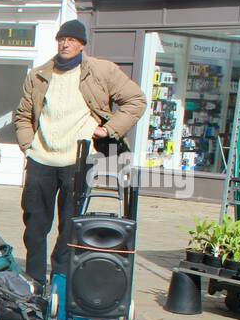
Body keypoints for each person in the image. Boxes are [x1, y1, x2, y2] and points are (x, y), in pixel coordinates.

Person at [12, 18, 145, 288]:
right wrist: (28, 146)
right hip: (41, 158)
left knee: (70, 225)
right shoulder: (39, 75)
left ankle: (60, 278)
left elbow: (136, 100)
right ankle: (35, 281)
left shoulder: (102, 71)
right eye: (62, 38)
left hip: (77, 160)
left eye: (72, 39)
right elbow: (23, 115)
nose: (66, 43)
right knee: (35, 224)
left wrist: (109, 130)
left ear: (82, 44)